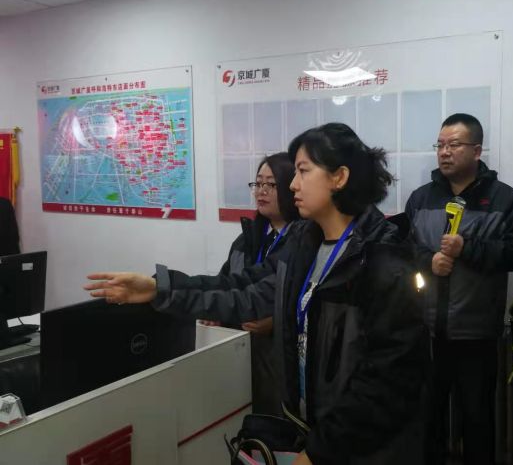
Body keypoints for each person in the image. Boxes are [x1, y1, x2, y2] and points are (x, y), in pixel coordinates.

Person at [85, 123, 427, 465]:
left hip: (362, 449)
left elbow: (385, 383)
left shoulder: (385, 260)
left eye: (304, 171)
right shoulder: (303, 246)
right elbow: (241, 289)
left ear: (339, 177)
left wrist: (321, 450)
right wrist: (161, 288)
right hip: (309, 429)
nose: (292, 185)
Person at [405, 113, 513, 465]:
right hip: (427, 331)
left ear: (476, 151)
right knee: (428, 418)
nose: (444, 152)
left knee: (477, 419)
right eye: (440, 145)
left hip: (476, 332)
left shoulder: (505, 199)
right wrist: (428, 261)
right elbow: (404, 250)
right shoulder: (421, 198)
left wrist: (468, 249)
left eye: (454, 145)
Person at [210, 152, 301, 415]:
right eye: (258, 183)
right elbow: (226, 284)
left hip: (279, 367)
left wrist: (275, 322)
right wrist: (215, 312)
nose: (261, 191)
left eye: (271, 184)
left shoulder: (303, 243)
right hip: (238, 356)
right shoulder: (246, 240)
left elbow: (309, 304)